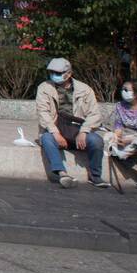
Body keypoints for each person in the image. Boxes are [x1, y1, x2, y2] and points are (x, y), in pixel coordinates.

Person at [36, 57, 108, 189]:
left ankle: (95, 176)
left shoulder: (85, 90)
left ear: (69, 73)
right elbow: (43, 113)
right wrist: (55, 133)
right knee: (47, 138)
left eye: (57, 73)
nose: (54, 76)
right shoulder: (44, 88)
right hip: (56, 129)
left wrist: (84, 131)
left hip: (78, 130)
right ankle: (62, 173)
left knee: (96, 141)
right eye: (51, 72)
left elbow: (95, 114)